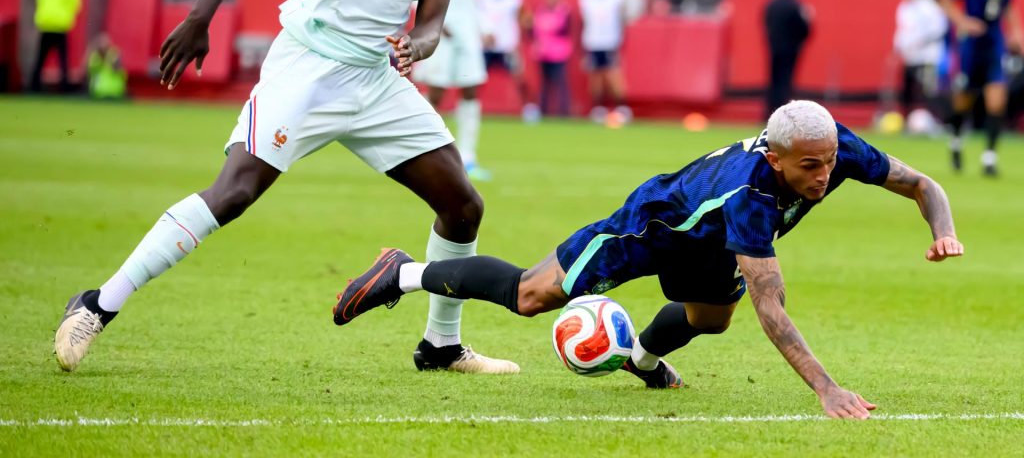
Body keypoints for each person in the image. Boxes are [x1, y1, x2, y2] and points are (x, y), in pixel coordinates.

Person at [54, 0, 518, 376]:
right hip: (310, 65)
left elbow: (430, 22)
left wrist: (416, 47)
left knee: (463, 204)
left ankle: (441, 346)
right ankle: (98, 305)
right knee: (235, 191)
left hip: (376, 79)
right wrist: (201, 16)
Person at [337, 100, 964, 420]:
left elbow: (922, 184)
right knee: (532, 295)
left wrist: (945, 230)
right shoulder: (750, 194)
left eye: (830, 162)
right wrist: (828, 390)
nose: (825, 176)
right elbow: (773, 309)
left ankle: (641, 359)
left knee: (713, 317)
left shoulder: (832, 145)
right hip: (652, 226)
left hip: (707, 241)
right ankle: (403, 273)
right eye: (810, 167)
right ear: (775, 159)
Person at [941, 0, 1024, 176]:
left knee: (997, 99)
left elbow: (1007, 7)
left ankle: (989, 158)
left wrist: (1016, 34)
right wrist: (964, 22)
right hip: (972, 46)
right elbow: (948, 1)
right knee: (963, 100)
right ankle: (956, 141)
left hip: (994, 44)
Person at [413, 0, 492, 181]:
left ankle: (468, 157)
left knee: (471, 89)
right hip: (440, 25)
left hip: (467, 28)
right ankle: (421, 152)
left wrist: (482, 26)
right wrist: (430, 21)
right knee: (435, 92)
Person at [477, 0, 536, 120]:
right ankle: (470, 106)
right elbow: (476, 18)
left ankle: (528, 108)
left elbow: (525, 16)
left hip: (507, 46)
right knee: (475, 78)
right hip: (487, 46)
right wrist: (483, 35)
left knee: (519, 78)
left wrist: (527, 21)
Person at [578, 0, 629, 123]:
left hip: (610, 42)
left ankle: (622, 107)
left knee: (613, 75)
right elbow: (585, 20)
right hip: (593, 42)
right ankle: (598, 108)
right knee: (595, 77)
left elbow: (624, 16)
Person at [893, 0, 947, 119]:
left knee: (928, 90)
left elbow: (938, 28)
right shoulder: (904, 7)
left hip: (927, 56)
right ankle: (906, 117)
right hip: (910, 57)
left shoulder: (928, 6)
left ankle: (935, 119)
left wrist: (919, 42)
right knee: (908, 89)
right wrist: (897, 48)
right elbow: (902, 30)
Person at [29, 0, 82, 93]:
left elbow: (38, 0)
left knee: (40, 58)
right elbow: (77, 4)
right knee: (63, 59)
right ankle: (64, 87)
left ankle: (33, 86)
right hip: (60, 25)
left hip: (45, 24)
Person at [763, 0, 811, 119]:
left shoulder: (772, 4)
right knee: (785, 81)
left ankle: (769, 113)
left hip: (774, 48)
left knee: (773, 81)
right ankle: (783, 115)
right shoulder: (795, 6)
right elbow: (804, 29)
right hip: (790, 49)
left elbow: (766, 23)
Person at [531, 0, 573, 117]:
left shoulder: (564, 10)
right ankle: (542, 110)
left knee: (560, 82)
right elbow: (535, 30)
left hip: (559, 52)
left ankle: (564, 111)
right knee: (544, 83)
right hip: (543, 52)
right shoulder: (540, 9)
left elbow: (562, 29)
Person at [86, 33, 127, 100]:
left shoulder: (114, 54)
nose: (103, 46)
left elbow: (119, 71)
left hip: (115, 92)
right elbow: (90, 70)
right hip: (98, 93)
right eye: (101, 43)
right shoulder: (95, 56)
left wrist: (114, 63)